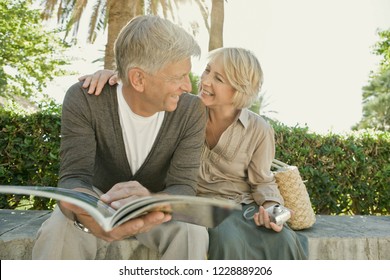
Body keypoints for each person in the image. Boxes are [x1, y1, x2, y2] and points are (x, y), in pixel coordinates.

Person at [81, 47, 308, 260]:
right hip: (192, 207)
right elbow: (145, 89)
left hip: (239, 208)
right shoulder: (181, 110)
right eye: (207, 70)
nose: (205, 81)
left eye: (218, 79)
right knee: (226, 238)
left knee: (284, 240)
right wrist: (113, 76)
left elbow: (262, 182)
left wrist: (270, 209)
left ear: (240, 89)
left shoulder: (259, 129)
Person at [32, 15, 209, 260]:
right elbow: (74, 179)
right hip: (95, 202)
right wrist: (92, 216)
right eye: (177, 77)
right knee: (59, 228)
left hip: (156, 206)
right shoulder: (85, 99)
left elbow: (184, 187)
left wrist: (149, 202)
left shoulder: (191, 110)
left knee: (194, 231)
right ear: (138, 78)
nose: (187, 87)